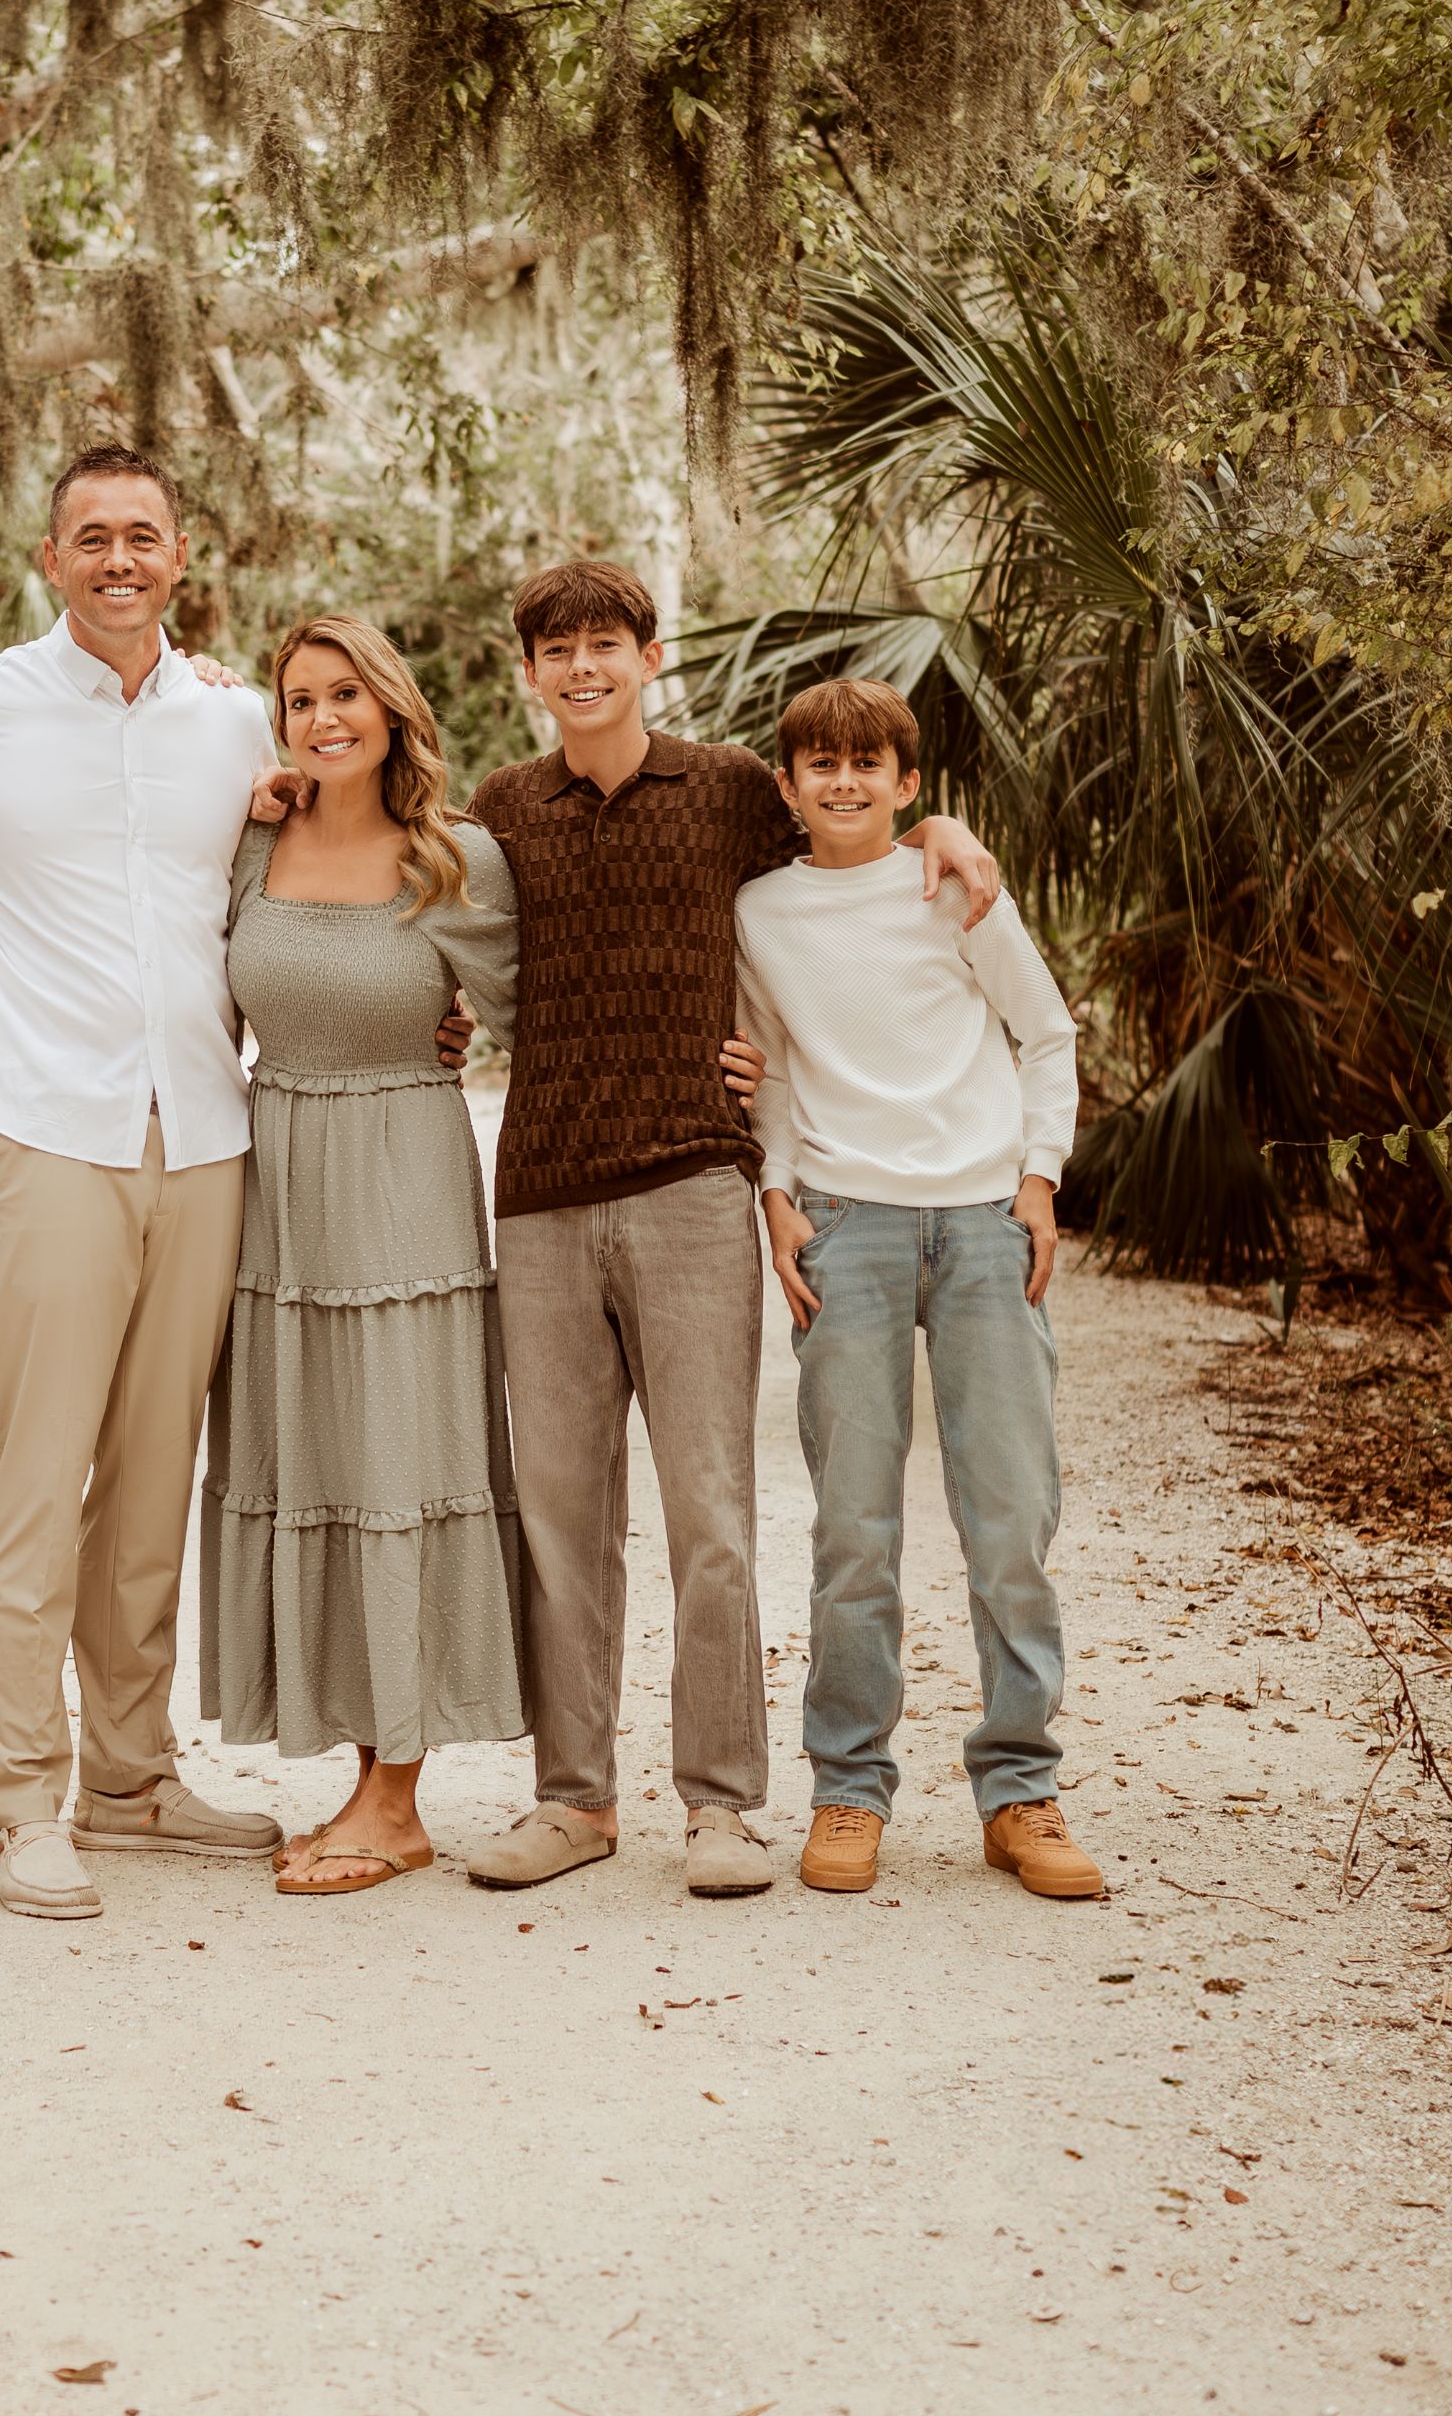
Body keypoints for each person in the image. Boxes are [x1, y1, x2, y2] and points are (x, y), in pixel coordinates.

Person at [464, 560, 1003, 1901]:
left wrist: (947, 828)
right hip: (541, 1188)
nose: (582, 667)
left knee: (709, 1510)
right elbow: (425, 903)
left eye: (606, 643)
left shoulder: (727, 794)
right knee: (561, 1517)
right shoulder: (504, 806)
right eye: (556, 650)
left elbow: (849, 846)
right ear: (528, 672)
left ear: (648, 658)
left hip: (696, 1187)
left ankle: (718, 1805)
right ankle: (573, 1799)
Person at [0, 446, 293, 1918]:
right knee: (35, 1473)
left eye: (143, 535)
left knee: (148, 1478)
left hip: (201, 1132)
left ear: (182, 555)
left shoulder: (235, 719)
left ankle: (128, 1780)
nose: (119, 558)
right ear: (49, 558)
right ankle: (16, 1805)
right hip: (41, 1128)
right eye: (92, 537)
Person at [733, 677, 1102, 1903]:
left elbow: (1046, 1034)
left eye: (867, 764)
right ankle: (848, 1786)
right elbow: (767, 1066)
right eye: (819, 764)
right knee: (854, 1528)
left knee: (1011, 1519)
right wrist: (776, 1192)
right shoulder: (759, 909)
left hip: (988, 1222)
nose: (843, 782)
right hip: (847, 1225)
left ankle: (1019, 1788)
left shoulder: (955, 885)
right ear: (786, 786)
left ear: (907, 784)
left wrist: (1039, 1178)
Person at [197, 614, 527, 1892]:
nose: (323, 717)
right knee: (311, 1464)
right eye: (299, 699)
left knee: (397, 1464)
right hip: (274, 1186)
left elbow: (546, 1013)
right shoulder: (252, 842)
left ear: (391, 709)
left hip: (403, 1190)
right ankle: (355, 1774)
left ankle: (396, 1800)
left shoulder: (457, 858)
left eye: (345, 694)